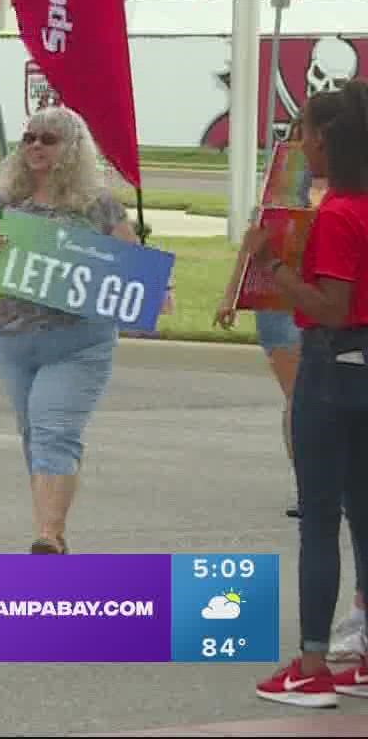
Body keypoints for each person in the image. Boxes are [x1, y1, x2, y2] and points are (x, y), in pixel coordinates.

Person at [0, 105, 142, 555]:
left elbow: (132, 266)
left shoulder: (100, 205)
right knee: (34, 432)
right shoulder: (3, 200)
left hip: (78, 342)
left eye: (48, 139)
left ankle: (47, 536)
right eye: (30, 138)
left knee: (55, 429)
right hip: (13, 338)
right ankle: (52, 523)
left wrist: (150, 286)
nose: (36, 146)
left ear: (72, 148)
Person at [256, 79, 368, 707]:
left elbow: (331, 305)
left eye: (304, 133)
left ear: (324, 140)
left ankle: (312, 664)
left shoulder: (338, 213)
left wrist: (273, 267)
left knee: (320, 518)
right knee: (365, 511)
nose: (301, 144)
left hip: (331, 370)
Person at [216, 101, 339, 520]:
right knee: (300, 398)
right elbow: (255, 241)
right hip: (277, 302)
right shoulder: (283, 187)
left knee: (329, 398)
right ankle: (310, 486)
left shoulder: (350, 190)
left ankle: (332, 482)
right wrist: (231, 294)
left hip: (327, 303)